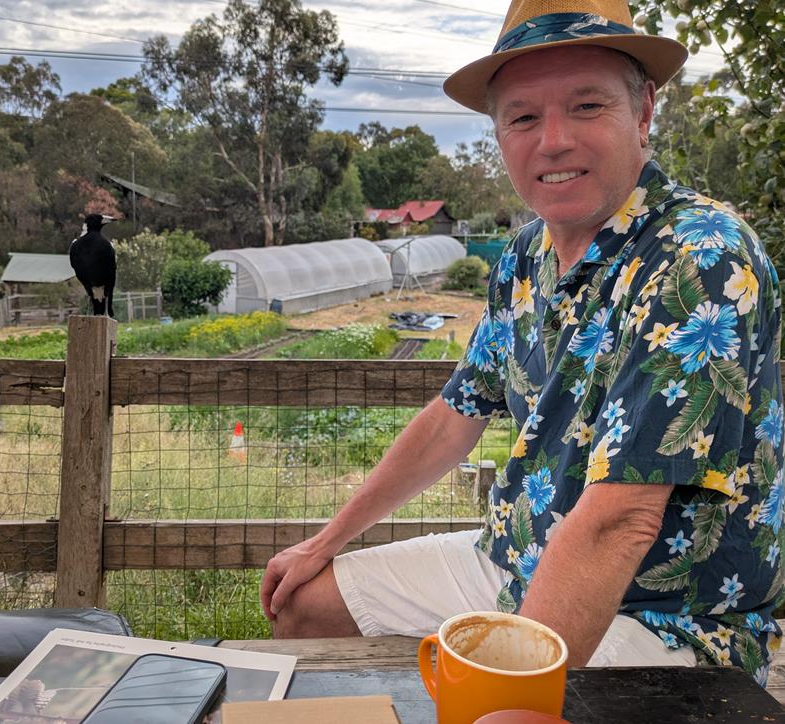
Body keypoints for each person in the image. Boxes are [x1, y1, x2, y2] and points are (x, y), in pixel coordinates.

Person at [261, 0, 784, 685]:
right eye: (525, 117)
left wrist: (509, 684)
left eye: (588, 106)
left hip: (664, 616)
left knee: (488, 702)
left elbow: (619, 524)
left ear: (645, 111)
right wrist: (325, 541)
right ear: (500, 135)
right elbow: (454, 416)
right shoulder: (523, 257)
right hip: (514, 558)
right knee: (304, 602)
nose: (554, 140)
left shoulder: (701, 256)